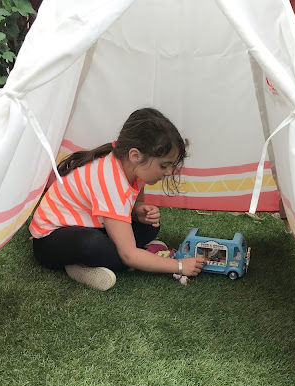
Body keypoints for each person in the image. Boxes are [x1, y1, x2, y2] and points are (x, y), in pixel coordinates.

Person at [29, 107, 205, 291]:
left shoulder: (133, 169)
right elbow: (128, 254)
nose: (169, 172)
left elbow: (133, 201)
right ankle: (78, 266)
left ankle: (135, 256)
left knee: (150, 225)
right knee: (106, 251)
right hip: (49, 242)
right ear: (135, 155)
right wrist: (179, 266)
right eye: (164, 166)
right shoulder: (110, 180)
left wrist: (138, 211)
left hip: (93, 225)